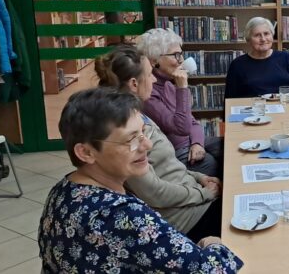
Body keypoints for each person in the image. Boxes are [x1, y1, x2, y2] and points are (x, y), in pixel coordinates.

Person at [39, 88, 243, 272]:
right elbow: (217, 270)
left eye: (143, 133)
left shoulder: (60, 192)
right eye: (131, 139)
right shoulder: (123, 215)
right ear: (86, 152)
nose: (147, 145)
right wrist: (212, 243)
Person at [95, 45, 222, 242]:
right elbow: (153, 192)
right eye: (149, 74)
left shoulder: (138, 115)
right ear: (134, 84)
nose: (154, 79)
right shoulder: (126, 131)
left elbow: (168, 166)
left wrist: (199, 177)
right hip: (187, 218)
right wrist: (203, 193)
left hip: (193, 199)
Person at [136, 28, 221, 177]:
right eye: (176, 55)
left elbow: (193, 122)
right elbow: (182, 128)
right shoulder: (148, 92)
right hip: (176, 151)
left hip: (191, 141)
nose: (181, 60)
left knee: (230, 146)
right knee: (214, 166)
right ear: (154, 60)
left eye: (181, 54)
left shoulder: (168, 84)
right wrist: (182, 88)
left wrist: (197, 143)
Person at [224, 17, 289, 98]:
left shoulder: (285, 57)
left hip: (287, 106)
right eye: (257, 35)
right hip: (255, 107)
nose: (263, 39)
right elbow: (230, 99)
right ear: (248, 40)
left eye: (266, 34)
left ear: (272, 35)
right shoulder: (237, 65)